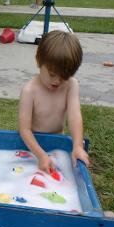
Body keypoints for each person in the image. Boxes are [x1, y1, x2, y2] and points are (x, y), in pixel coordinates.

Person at [19, 31, 90, 173]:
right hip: (32, 146)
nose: (57, 81)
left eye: (64, 76)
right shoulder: (29, 90)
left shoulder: (71, 85)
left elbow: (74, 116)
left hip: (57, 141)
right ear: (39, 62)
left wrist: (77, 146)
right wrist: (41, 155)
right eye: (52, 74)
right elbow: (24, 129)